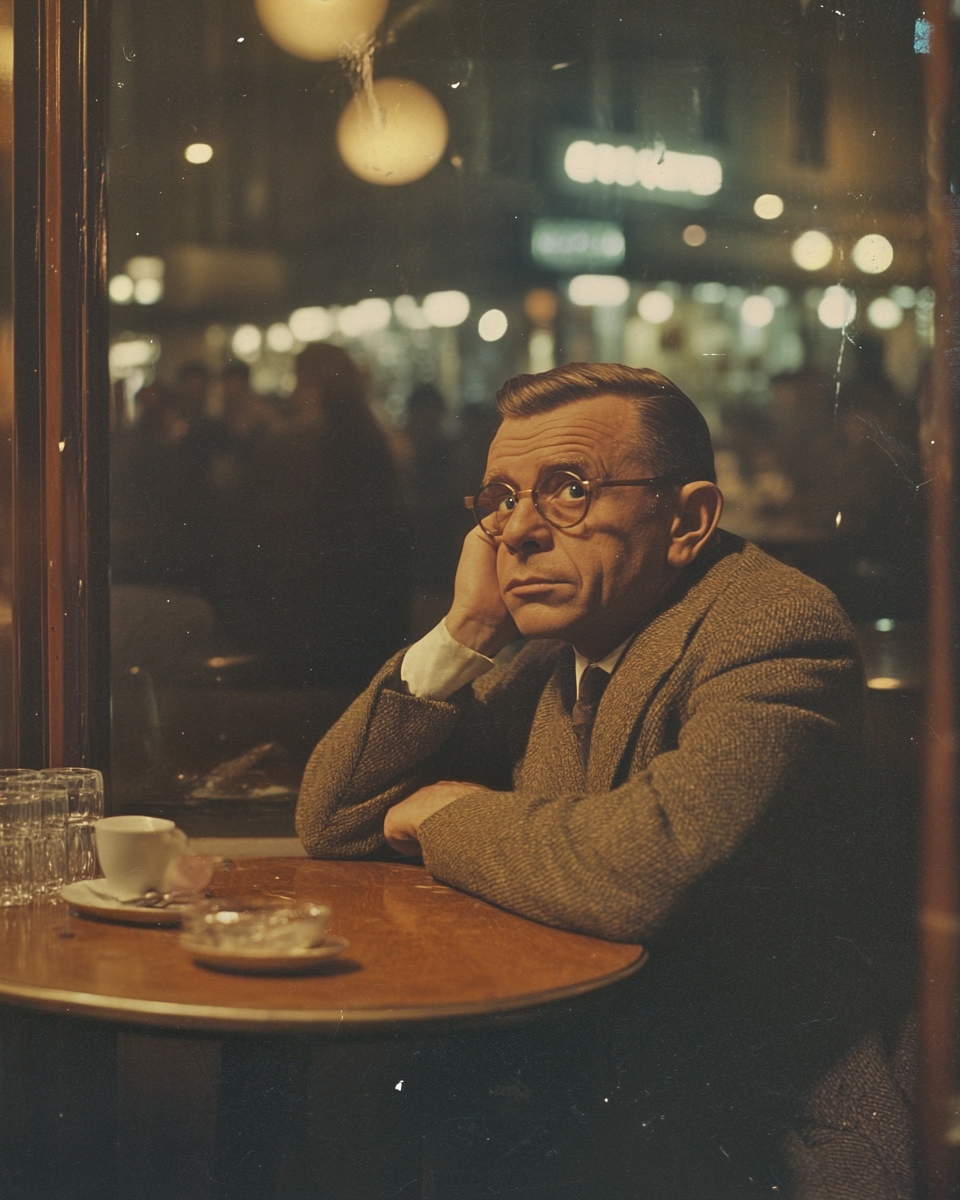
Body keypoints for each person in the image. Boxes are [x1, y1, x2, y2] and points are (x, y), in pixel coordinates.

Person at [296, 362, 914, 1198]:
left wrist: (445, 814)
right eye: (501, 498)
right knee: (347, 1095)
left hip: (760, 1122)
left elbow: (643, 871)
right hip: (594, 1080)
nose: (517, 532)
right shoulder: (550, 656)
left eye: (569, 489)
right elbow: (334, 816)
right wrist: (466, 625)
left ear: (687, 520)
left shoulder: (775, 627)